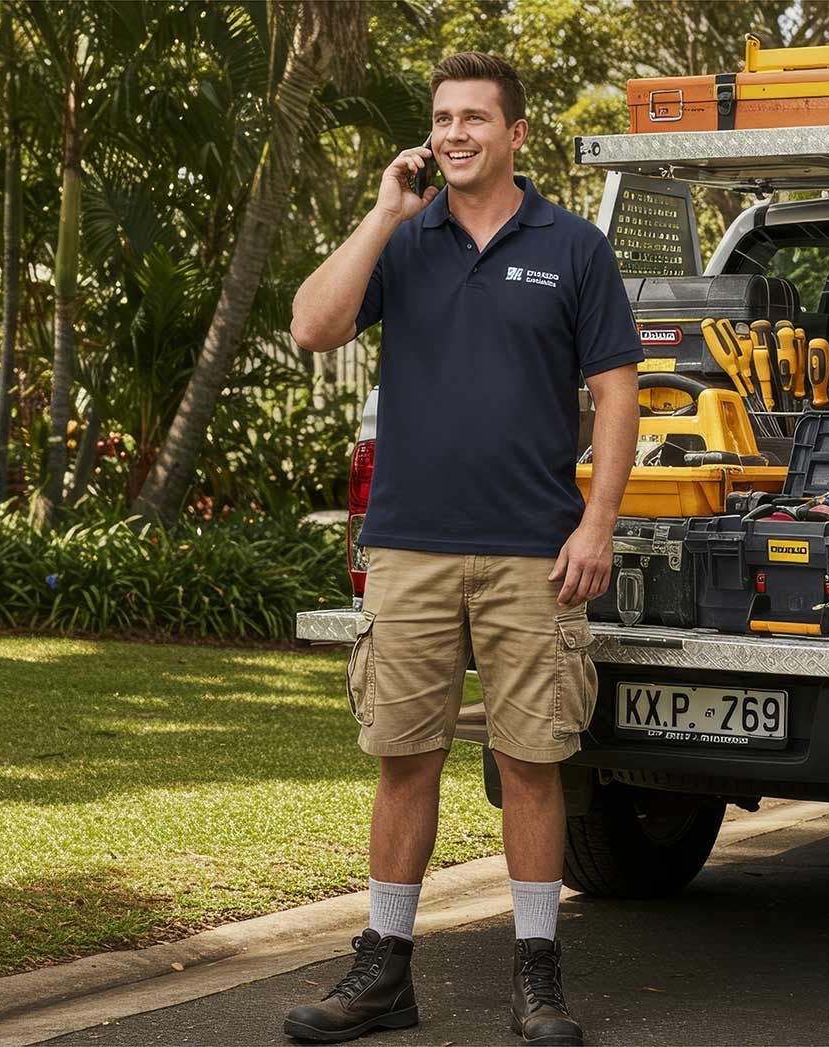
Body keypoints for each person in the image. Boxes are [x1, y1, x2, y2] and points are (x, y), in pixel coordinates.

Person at [283, 50, 640, 1047]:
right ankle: (384, 969)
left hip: (534, 551)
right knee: (405, 759)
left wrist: (597, 523)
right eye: (442, 118)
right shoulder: (404, 240)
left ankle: (538, 976)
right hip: (409, 548)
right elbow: (312, 326)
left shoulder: (573, 248)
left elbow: (618, 394)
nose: (454, 134)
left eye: (474, 117)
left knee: (532, 763)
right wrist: (382, 213)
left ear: (515, 133)